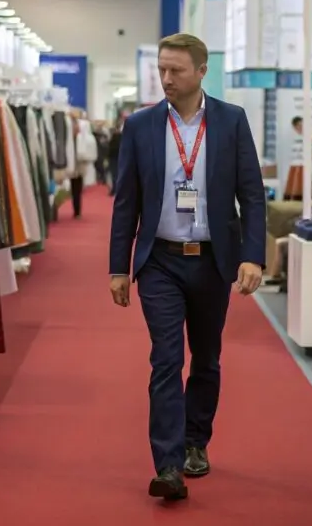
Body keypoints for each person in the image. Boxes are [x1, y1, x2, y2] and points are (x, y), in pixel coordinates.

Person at [108, 32, 266, 501]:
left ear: (201, 71)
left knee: (206, 357)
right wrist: (119, 266)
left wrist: (252, 255)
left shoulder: (232, 121)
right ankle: (169, 465)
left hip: (213, 261)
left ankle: (196, 440)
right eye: (161, 69)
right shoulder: (140, 125)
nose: (166, 78)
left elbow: (252, 195)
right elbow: (125, 202)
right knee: (166, 358)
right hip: (160, 261)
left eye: (175, 70)